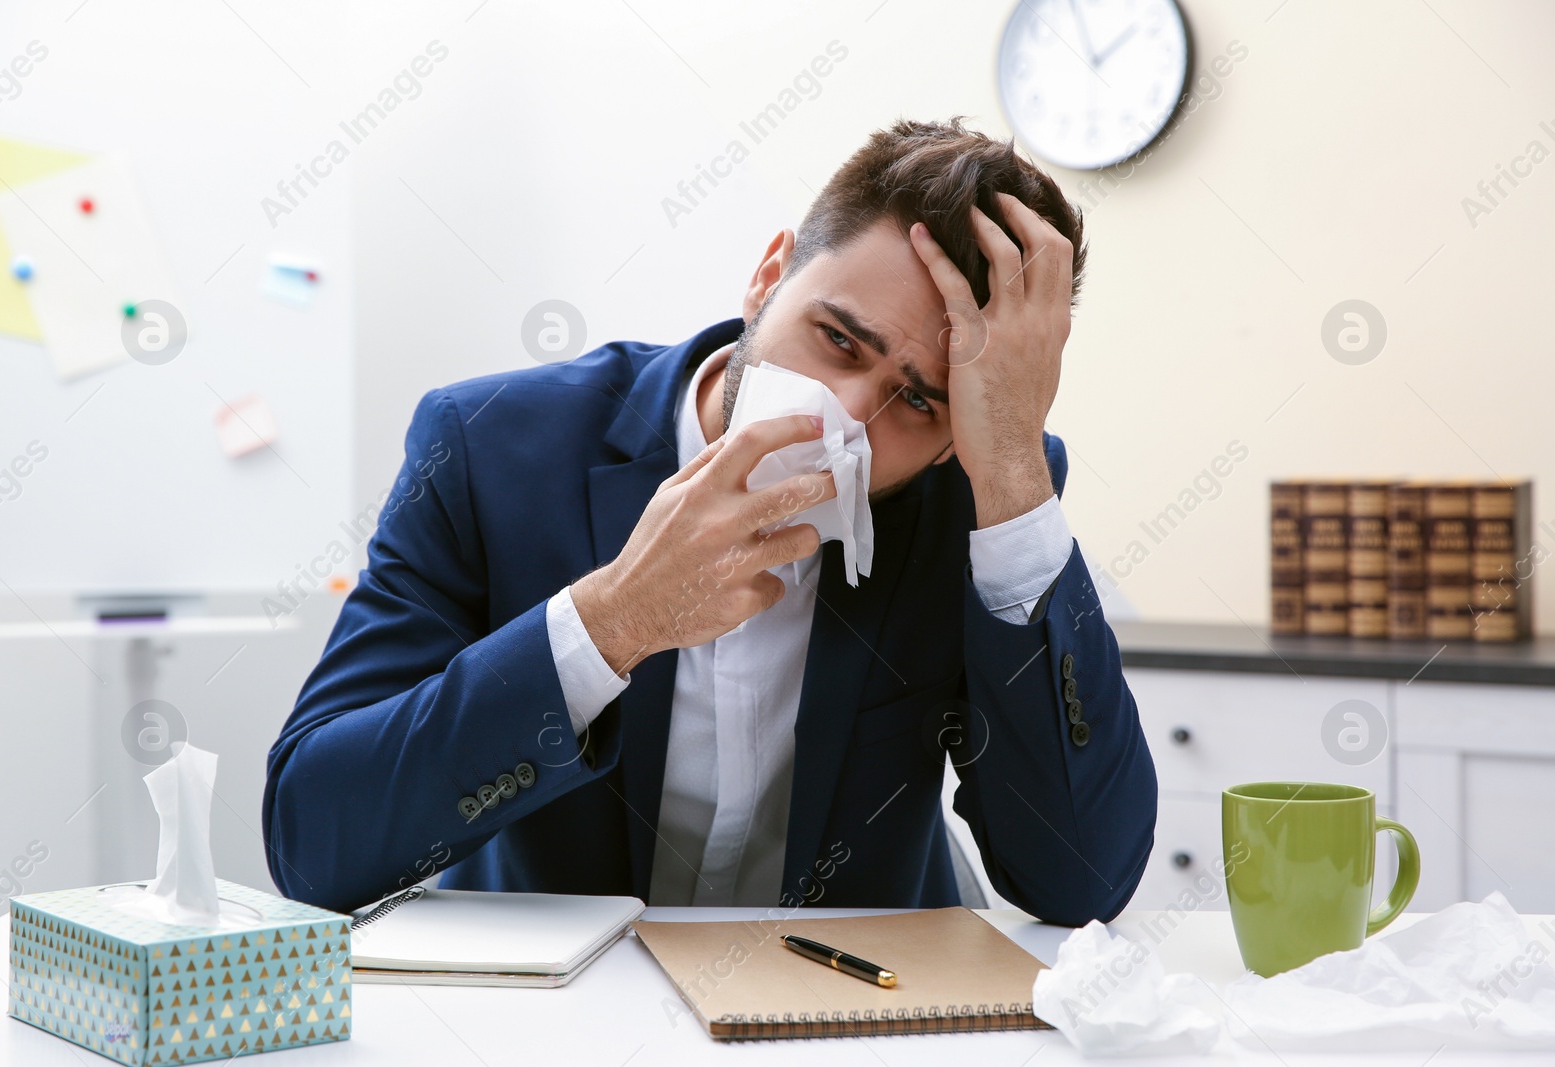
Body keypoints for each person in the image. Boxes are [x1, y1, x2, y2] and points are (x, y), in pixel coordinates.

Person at [262, 117, 1156, 924]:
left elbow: (1083, 881)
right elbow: (313, 840)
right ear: (770, 275)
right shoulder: (489, 449)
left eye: (919, 401)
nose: (847, 413)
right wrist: (611, 622)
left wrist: (1010, 479)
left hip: (842, 1019)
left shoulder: (979, 495)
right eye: (838, 339)